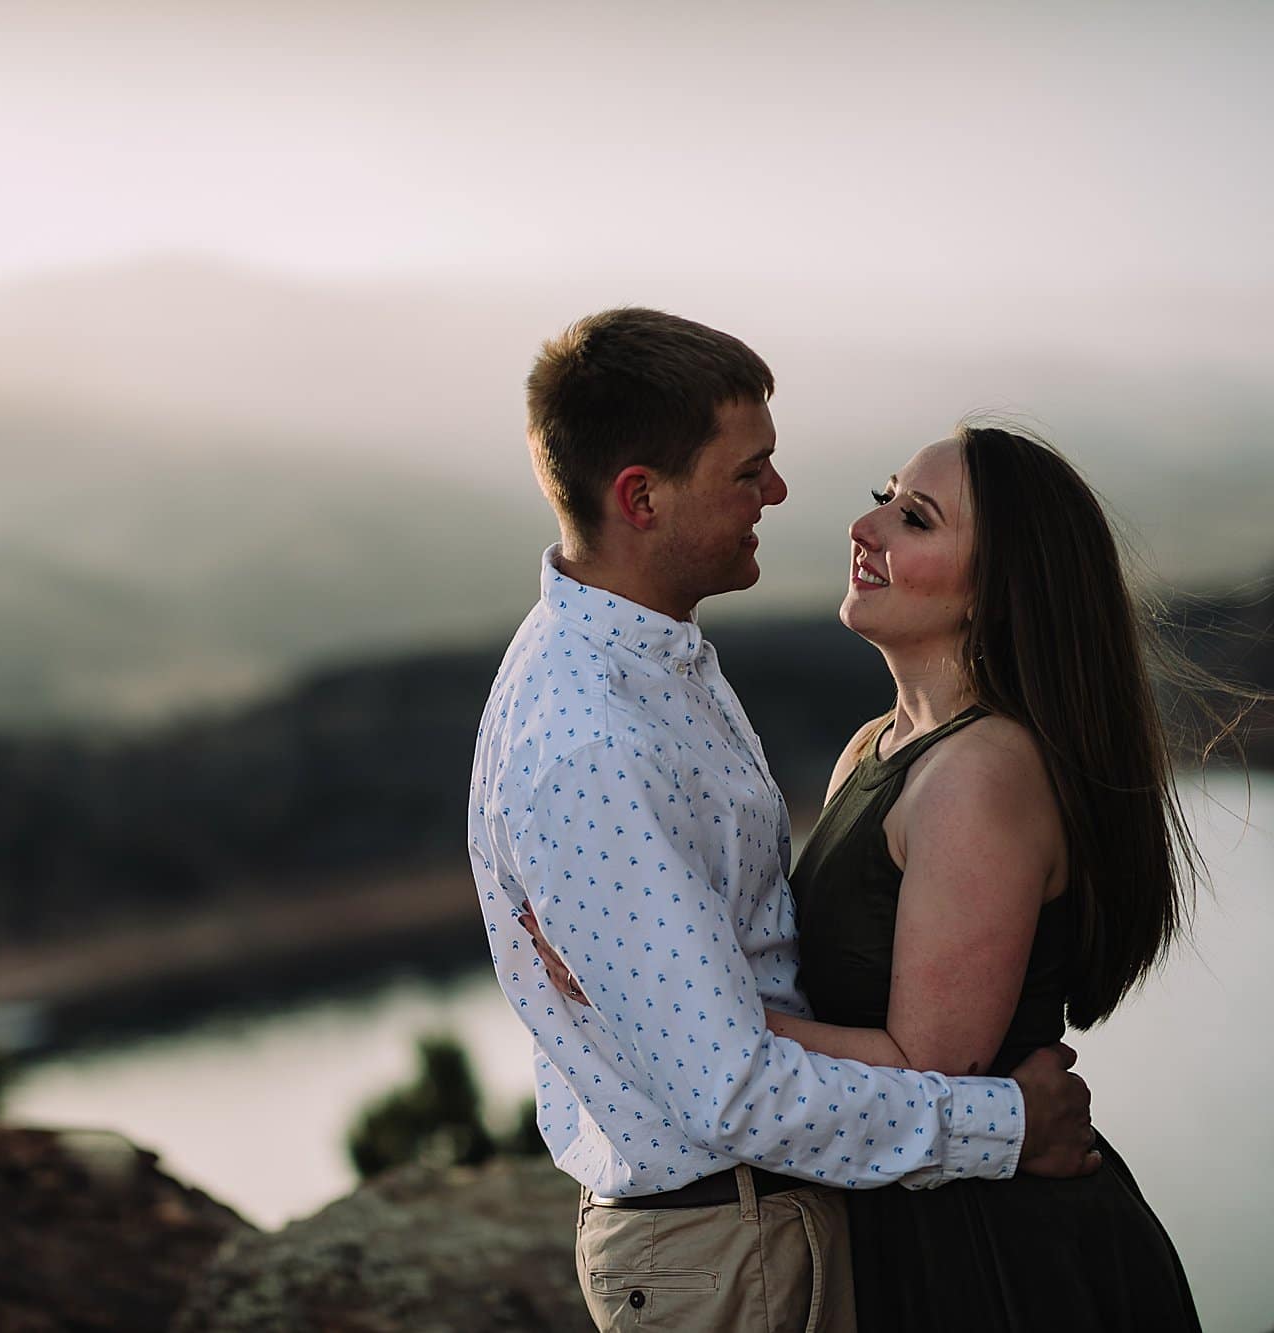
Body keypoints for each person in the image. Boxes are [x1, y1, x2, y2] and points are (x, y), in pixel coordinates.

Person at [466, 307, 1098, 1333]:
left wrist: (653, 986)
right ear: (640, 497)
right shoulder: (596, 735)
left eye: (912, 514)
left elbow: (760, 990)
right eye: (745, 469)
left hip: (788, 1225)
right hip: (728, 1247)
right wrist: (1008, 1125)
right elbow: (728, 1091)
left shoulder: (654, 660)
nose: (780, 492)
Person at [760, 424, 1203, 1329]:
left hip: (990, 1252)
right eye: (883, 493)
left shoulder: (980, 771)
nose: (866, 525)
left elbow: (930, 1066)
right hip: (905, 1212)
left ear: (996, 595)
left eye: (914, 519)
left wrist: (694, 1015)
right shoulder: (874, 749)